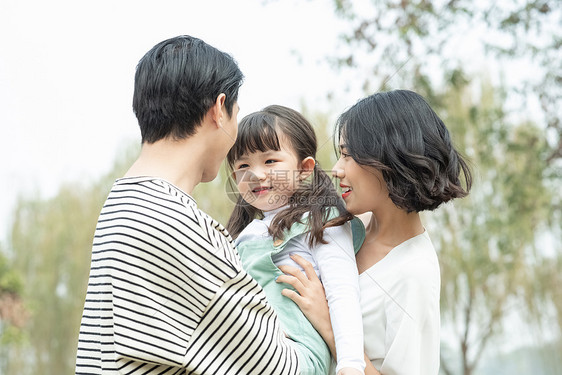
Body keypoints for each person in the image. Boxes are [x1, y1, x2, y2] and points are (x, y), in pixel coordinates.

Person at [75, 35, 303, 374]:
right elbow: (282, 368)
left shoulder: (123, 203)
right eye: (236, 115)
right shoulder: (174, 224)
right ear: (218, 110)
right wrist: (328, 328)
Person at [277, 90, 472, 375]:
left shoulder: (412, 273)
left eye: (347, 156)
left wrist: (330, 324)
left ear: (390, 159)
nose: (337, 170)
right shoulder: (345, 228)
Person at [226, 105, 366, 375]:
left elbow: (342, 293)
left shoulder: (321, 221)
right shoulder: (244, 236)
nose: (257, 174)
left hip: (296, 352)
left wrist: (351, 366)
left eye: (270, 161)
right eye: (244, 165)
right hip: (252, 348)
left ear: (304, 168)